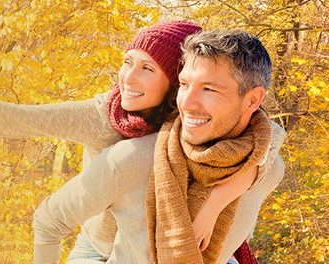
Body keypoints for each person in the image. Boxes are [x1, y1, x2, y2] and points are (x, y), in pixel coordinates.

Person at [32, 29, 286, 263]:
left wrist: (215, 203)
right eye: (184, 85)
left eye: (208, 89)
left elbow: (268, 146)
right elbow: (49, 221)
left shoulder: (268, 169)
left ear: (253, 99)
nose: (188, 103)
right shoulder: (132, 159)